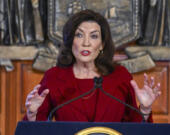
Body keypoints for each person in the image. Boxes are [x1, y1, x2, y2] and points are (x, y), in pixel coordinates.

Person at [24, 9, 161, 122]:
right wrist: (31, 113)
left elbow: (134, 129)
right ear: (70, 41)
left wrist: (145, 109)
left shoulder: (120, 77)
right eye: (79, 35)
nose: (86, 43)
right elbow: (37, 129)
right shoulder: (54, 77)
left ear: (102, 45)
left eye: (94, 36)